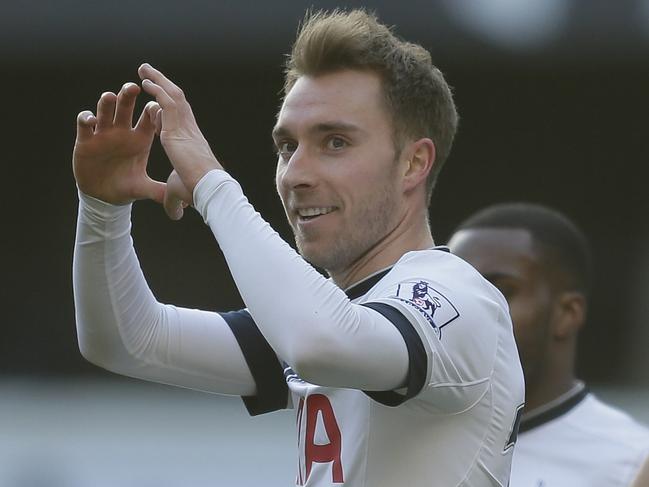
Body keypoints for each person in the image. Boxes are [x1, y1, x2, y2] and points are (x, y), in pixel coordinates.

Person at [72, 9, 524, 486]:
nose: (295, 175)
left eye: (334, 142)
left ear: (413, 164)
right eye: (287, 146)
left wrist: (211, 185)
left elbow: (318, 342)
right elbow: (126, 342)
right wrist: (102, 209)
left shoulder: (457, 299)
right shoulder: (331, 316)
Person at [448, 202, 649, 487]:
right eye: (456, 292)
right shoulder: (396, 433)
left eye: (501, 291)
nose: (471, 310)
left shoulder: (632, 460)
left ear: (567, 314)